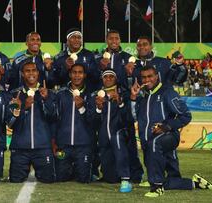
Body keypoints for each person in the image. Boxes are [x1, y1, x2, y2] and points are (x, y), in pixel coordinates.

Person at [130, 65, 212, 197]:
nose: (147, 79)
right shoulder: (143, 96)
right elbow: (134, 116)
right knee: (172, 178)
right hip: (149, 140)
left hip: (169, 136)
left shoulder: (167, 92)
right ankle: (195, 183)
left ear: (157, 77)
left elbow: (186, 116)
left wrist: (166, 126)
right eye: (144, 77)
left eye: (150, 76)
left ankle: (157, 187)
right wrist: (133, 97)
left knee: (155, 145)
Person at [95, 30, 144, 183]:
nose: (114, 41)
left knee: (128, 143)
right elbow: (91, 77)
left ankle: (135, 175)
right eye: (111, 38)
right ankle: (109, 173)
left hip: (123, 99)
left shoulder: (127, 59)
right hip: (104, 98)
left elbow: (137, 78)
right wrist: (99, 68)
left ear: (120, 40)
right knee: (106, 142)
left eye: (117, 38)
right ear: (106, 40)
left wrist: (130, 73)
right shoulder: (98, 57)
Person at [8, 61, 57, 183]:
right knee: (15, 181)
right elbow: (10, 123)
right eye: (27, 71)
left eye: (33, 70)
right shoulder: (15, 94)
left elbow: (53, 117)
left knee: (48, 181)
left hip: (43, 147)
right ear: (22, 74)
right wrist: (23, 107)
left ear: (38, 73)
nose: (31, 73)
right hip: (20, 148)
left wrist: (46, 100)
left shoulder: (48, 93)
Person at [88, 69, 132, 192]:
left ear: (116, 79)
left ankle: (125, 179)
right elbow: (92, 121)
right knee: (110, 178)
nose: (108, 79)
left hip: (120, 134)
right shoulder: (95, 96)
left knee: (117, 140)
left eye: (111, 77)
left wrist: (120, 103)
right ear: (102, 79)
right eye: (105, 77)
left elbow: (129, 118)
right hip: (103, 138)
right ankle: (113, 175)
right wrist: (98, 108)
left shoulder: (124, 94)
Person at [54, 63, 93, 183]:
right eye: (74, 72)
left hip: (83, 146)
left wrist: (82, 107)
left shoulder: (91, 94)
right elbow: (54, 119)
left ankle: (79, 167)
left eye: (80, 72)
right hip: (63, 145)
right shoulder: (60, 94)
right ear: (70, 74)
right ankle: (69, 168)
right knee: (61, 178)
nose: (77, 75)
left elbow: (93, 121)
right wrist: (54, 141)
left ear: (84, 75)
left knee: (83, 179)